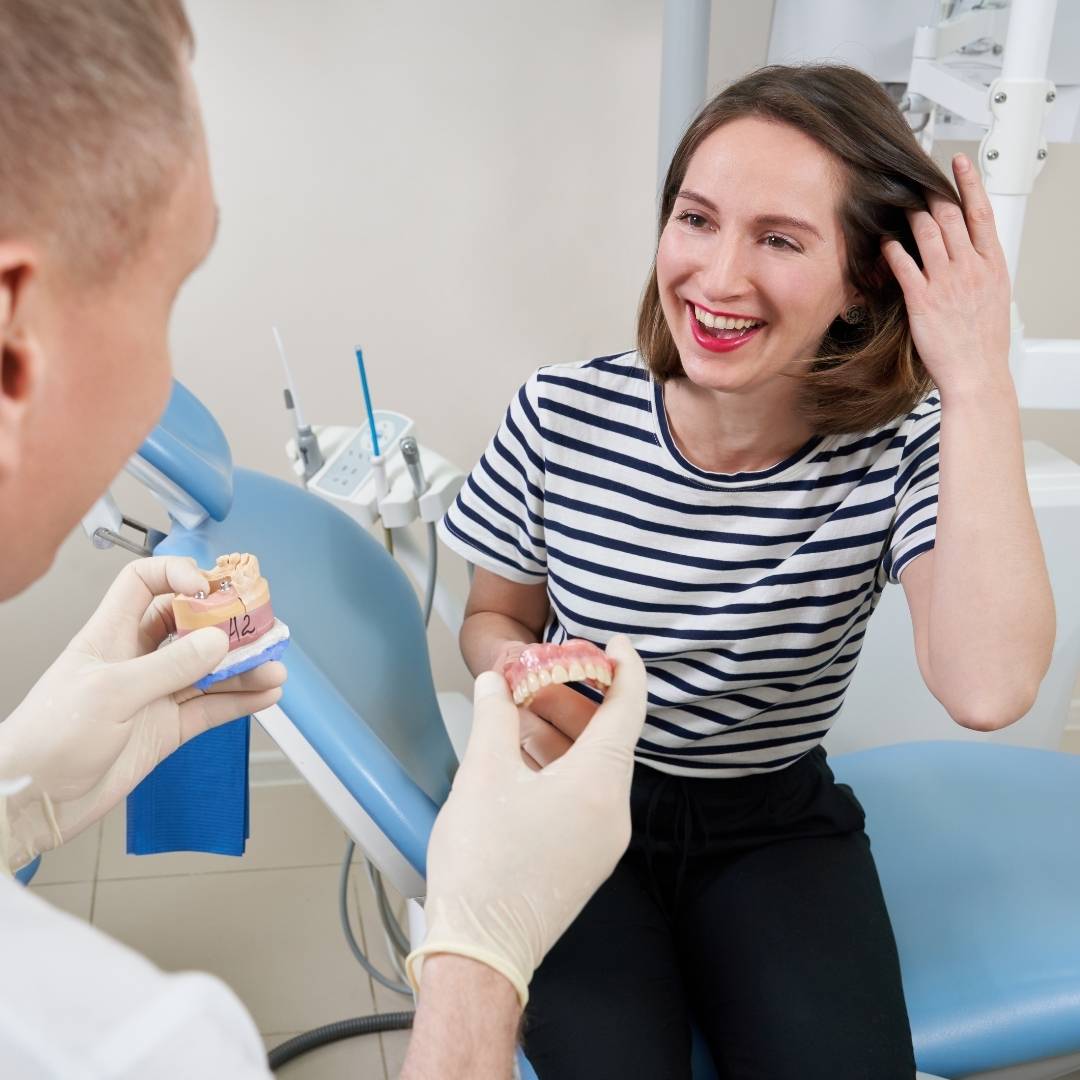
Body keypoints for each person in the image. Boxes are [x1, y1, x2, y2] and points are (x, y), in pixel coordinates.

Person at [0, 2, 649, 1077]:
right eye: (167, 299)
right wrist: (478, 963)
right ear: (16, 346)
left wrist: (14, 797)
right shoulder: (125, 1045)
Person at [439, 63, 1056, 1078]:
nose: (718, 278)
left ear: (865, 278)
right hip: (572, 807)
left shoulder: (896, 455)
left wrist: (978, 376)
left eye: (778, 238)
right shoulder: (559, 414)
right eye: (695, 219)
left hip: (772, 822)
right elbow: (491, 615)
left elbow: (990, 687)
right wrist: (519, 674)